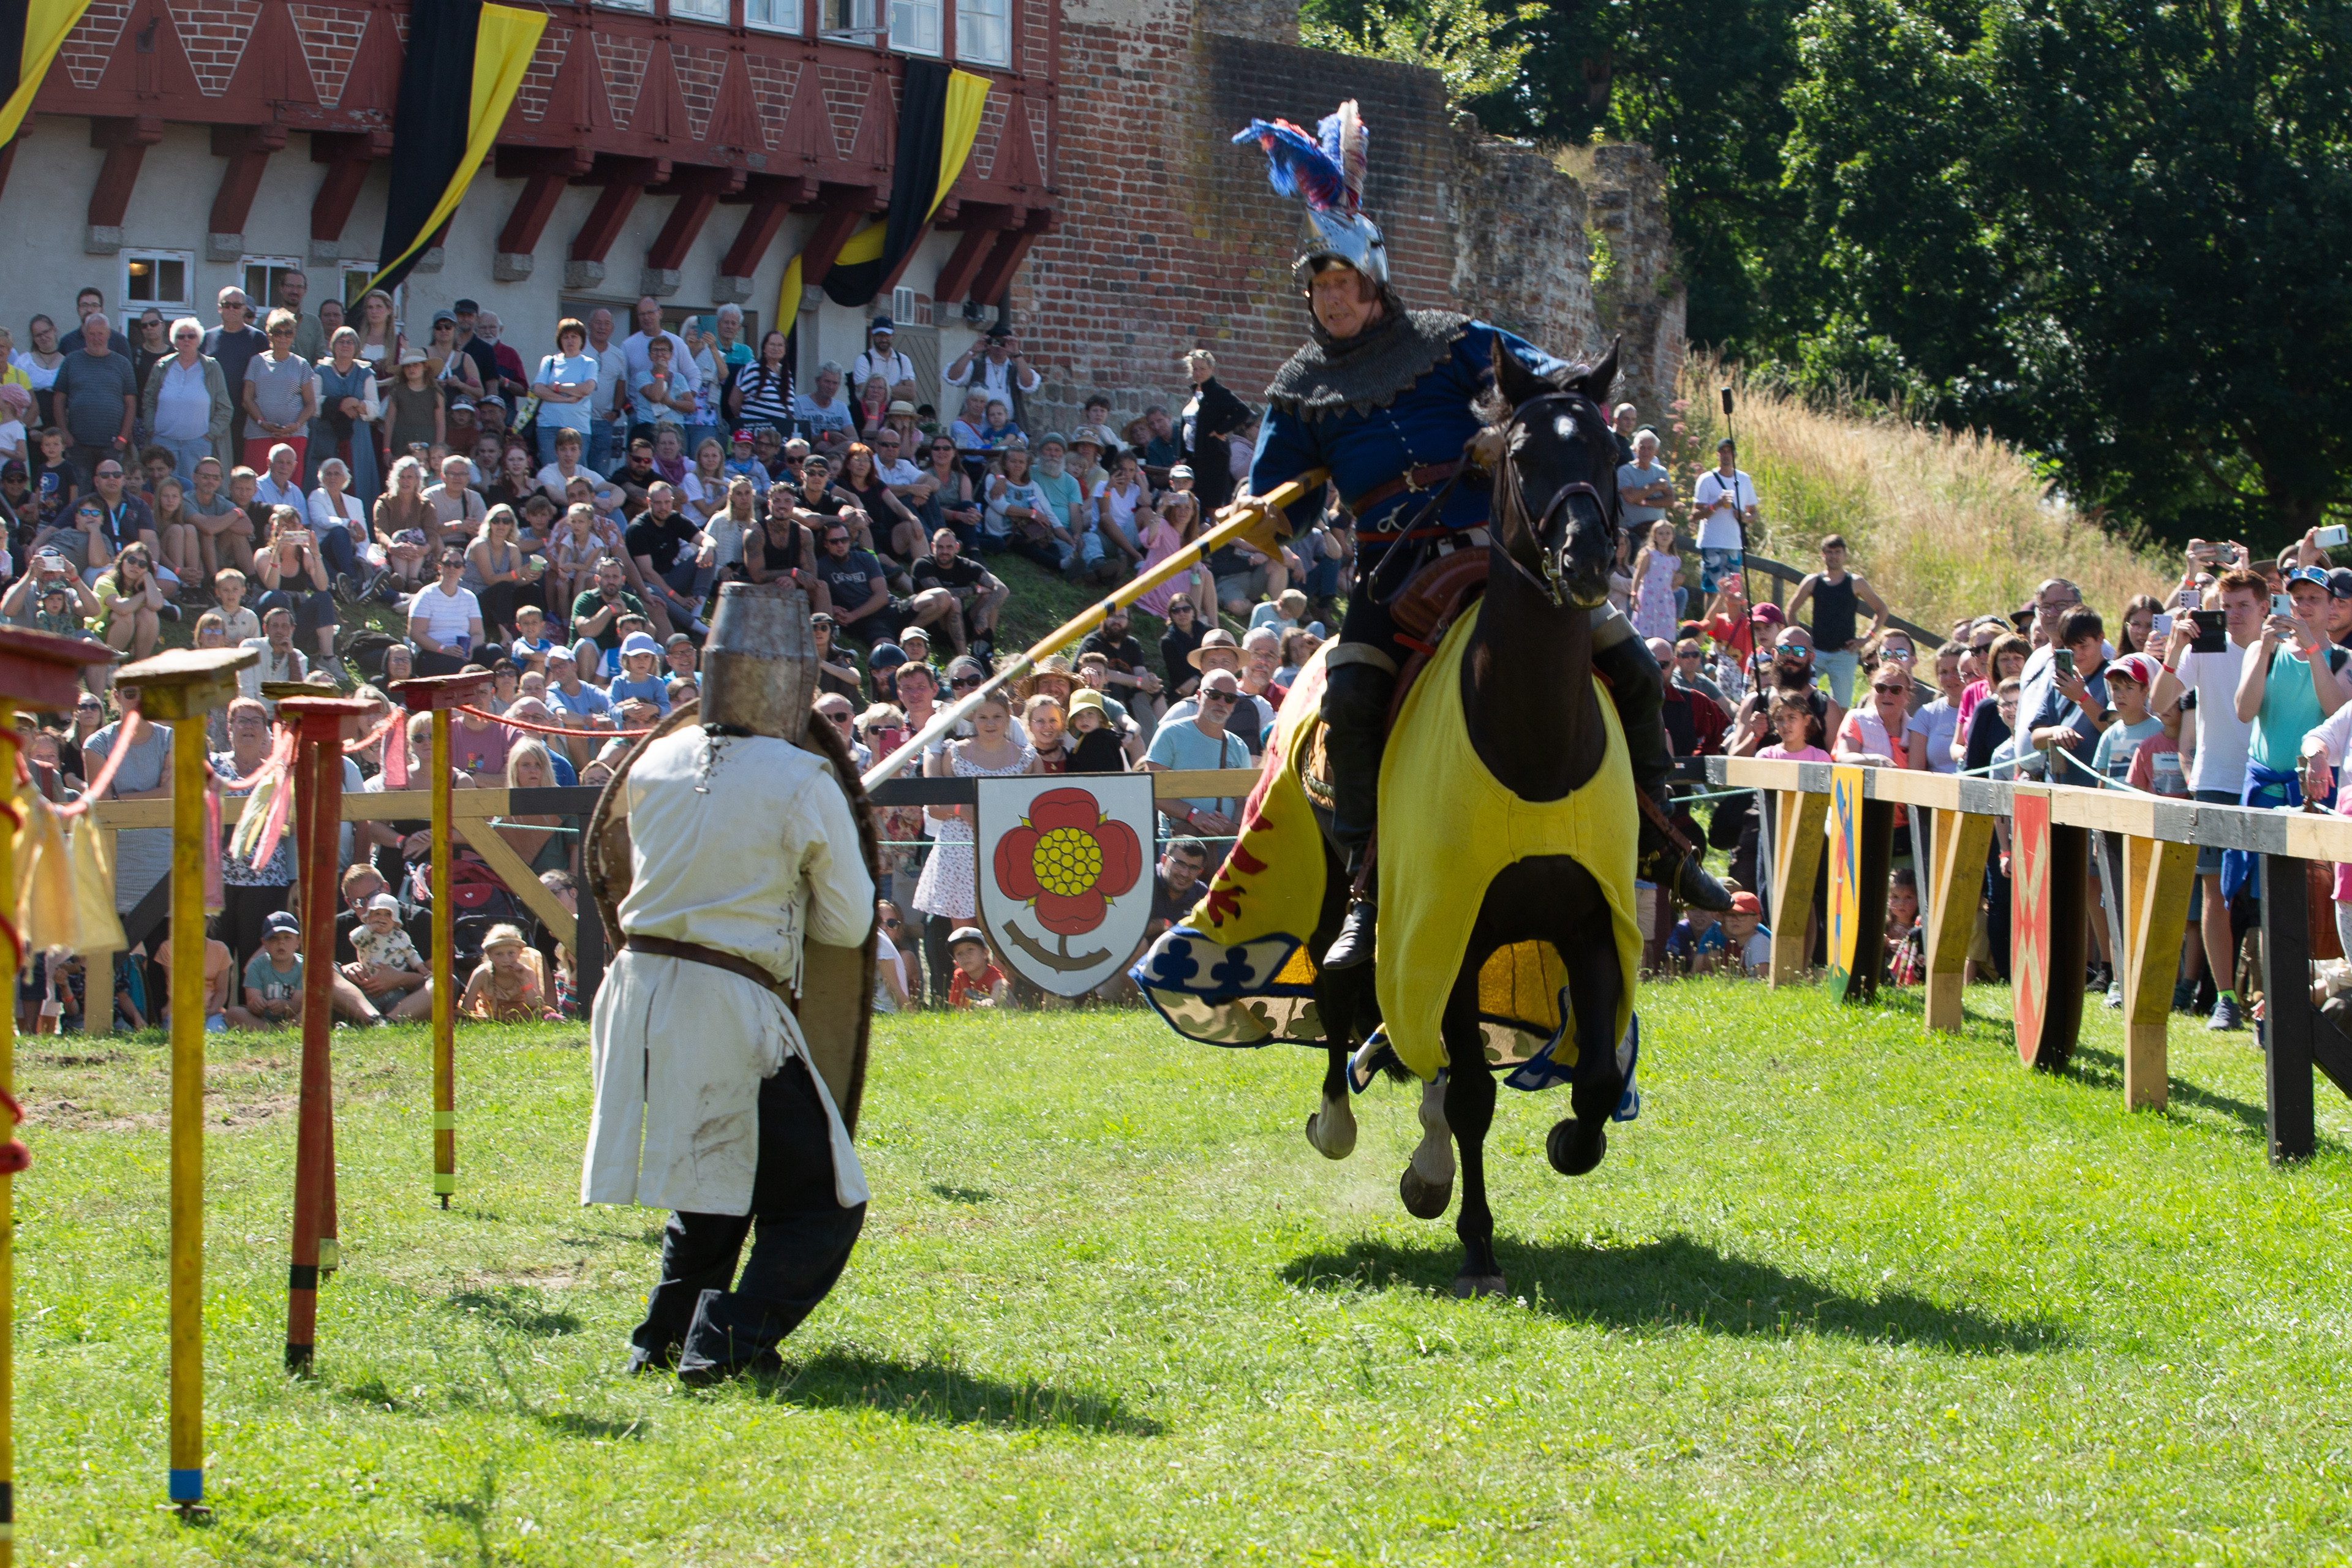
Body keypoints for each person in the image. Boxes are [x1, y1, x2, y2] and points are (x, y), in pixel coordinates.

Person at [1232, 106, 1727, 972]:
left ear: (1375, 286)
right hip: (1390, 574)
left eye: (1345, 285)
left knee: (1636, 668)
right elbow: (1282, 504)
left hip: (1491, 554)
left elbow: (1547, 381)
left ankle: (1661, 839)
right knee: (1350, 703)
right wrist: (1254, 516)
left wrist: (1513, 429)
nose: (1332, 300)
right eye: (1319, 289)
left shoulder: (1451, 342)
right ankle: (1366, 891)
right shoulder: (1299, 389)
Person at [583, 592, 875, 1384]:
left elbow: (619, 868)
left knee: (716, 1180)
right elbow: (846, 925)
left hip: (640, 991)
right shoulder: (803, 776)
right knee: (823, 1200)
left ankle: (664, 1339)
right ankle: (727, 1343)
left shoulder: (653, 760)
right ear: (792, 682)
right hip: (729, 1002)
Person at [1786, 535, 1888, 708]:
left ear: (1845, 555)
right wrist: (1800, 643)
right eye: (1829, 552)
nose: (1833, 556)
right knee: (1798, 697)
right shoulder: (1813, 581)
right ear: (1823, 555)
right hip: (1815, 652)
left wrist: (1866, 638)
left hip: (1844, 653)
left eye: (1837, 552)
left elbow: (1882, 609)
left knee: (1842, 706)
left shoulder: (1856, 582)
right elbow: (1791, 610)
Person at [141, 316, 233, 481]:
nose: (186, 340)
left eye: (191, 336)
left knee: (193, 487)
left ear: (199, 339)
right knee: (162, 488)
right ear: (174, 340)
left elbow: (225, 408)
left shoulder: (212, 367)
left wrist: (209, 434)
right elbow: (148, 399)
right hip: (163, 441)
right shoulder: (162, 366)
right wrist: (151, 428)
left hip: (198, 443)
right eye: (181, 336)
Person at [52, 311, 139, 478]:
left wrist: (122, 439)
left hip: (112, 445)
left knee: (110, 490)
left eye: (100, 333)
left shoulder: (123, 364)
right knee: (80, 491)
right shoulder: (71, 361)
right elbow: (58, 399)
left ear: (109, 334)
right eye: (91, 334)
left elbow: (131, 404)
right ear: (85, 334)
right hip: (77, 445)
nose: (96, 338)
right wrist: (65, 434)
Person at [1691, 437, 1757, 619]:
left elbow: (1754, 513)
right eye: (1723, 452)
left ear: (1734, 455)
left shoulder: (1744, 479)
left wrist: (1745, 517)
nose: (1726, 455)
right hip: (1712, 542)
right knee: (1712, 589)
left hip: (1734, 543)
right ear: (1718, 455)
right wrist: (1716, 504)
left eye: (1729, 452)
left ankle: (1732, 629)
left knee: (1734, 591)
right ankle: (1711, 628)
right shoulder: (1707, 479)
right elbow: (1695, 514)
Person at [227, 910, 306, 1031]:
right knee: (233, 1013)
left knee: (310, 1012)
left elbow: (299, 1005)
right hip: (263, 1019)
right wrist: (256, 1004)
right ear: (264, 943)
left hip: (293, 1019)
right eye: (274, 938)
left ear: (298, 942)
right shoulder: (256, 966)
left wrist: (285, 1006)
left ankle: (274, 1030)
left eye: (287, 938)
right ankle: (275, 1030)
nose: (281, 942)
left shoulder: (304, 967)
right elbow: (252, 1003)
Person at [944, 927, 1009, 1010]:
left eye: (970, 950)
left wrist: (992, 1000)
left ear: (985, 953)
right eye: (959, 954)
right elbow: (957, 1007)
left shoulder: (991, 973)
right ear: (956, 961)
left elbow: (1001, 985)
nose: (965, 956)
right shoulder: (959, 976)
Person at [1720, 890, 1770, 976]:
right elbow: (1728, 976)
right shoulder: (1731, 944)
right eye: (1730, 914)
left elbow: (1762, 977)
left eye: (1741, 915)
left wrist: (1734, 981)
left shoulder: (1759, 942)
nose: (1734, 919)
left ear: (1757, 920)